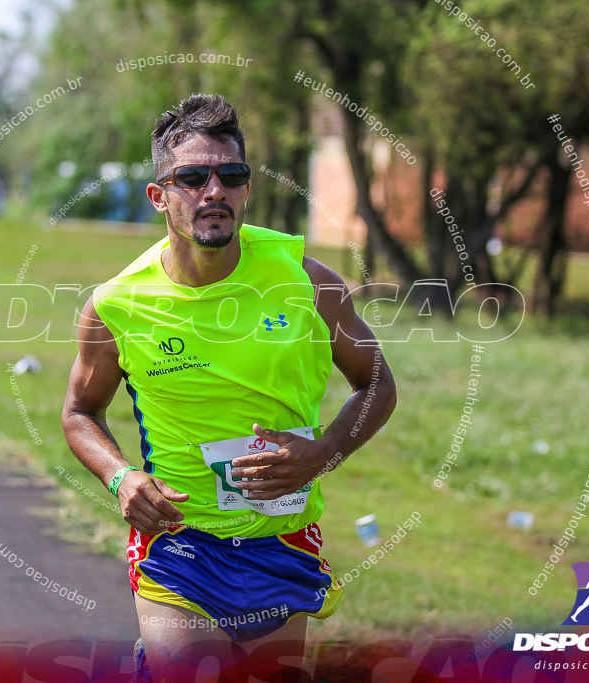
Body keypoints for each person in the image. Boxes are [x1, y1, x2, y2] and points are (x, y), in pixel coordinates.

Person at [61, 93, 397, 680]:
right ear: (159, 196)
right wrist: (121, 477)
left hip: (283, 539)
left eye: (230, 175)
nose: (213, 190)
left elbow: (376, 384)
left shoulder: (307, 284)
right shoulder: (116, 305)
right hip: (180, 544)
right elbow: (79, 413)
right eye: (192, 177)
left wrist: (323, 453)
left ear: (246, 189)